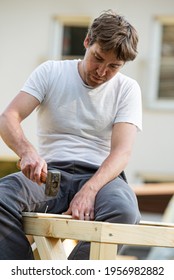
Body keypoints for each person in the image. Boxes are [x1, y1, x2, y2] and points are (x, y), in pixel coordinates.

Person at [0, 10, 142, 260]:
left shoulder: (128, 89)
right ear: (87, 41)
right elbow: (8, 118)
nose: (102, 71)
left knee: (124, 211)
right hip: (51, 178)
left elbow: (122, 152)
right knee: (2, 196)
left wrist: (89, 190)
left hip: (102, 179)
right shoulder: (51, 72)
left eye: (114, 67)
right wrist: (27, 152)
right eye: (98, 58)